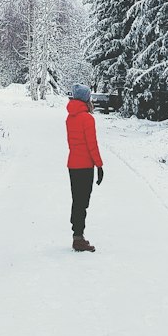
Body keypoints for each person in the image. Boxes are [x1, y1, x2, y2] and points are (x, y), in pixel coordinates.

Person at [66, 84, 103, 253]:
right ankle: (79, 239)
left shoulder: (70, 117)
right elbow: (91, 145)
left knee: (77, 201)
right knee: (83, 202)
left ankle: (77, 235)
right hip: (85, 166)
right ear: (86, 99)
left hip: (73, 165)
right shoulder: (87, 119)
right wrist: (99, 165)